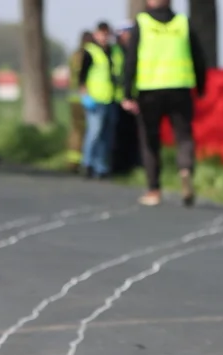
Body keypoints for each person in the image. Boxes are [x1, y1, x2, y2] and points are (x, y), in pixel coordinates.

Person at [120, 0, 207, 207]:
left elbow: (130, 59)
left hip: (149, 90)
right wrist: (201, 86)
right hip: (180, 89)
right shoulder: (183, 23)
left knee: (150, 141)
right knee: (184, 135)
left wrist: (127, 93)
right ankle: (185, 169)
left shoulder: (142, 23)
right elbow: (198, 57)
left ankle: (154, 189)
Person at [77, 22, 119, 180]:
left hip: (110, 98)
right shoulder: (90, 52)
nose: (104, 37)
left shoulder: (113, 52)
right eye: (102, 34)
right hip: (95, 99)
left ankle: (101, 166)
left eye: (106, 34)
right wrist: (85, 96)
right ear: (96, 34)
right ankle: (87, 163)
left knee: (106, 136)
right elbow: (82, 77)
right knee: (94, 133)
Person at [111, 21, 140, 176]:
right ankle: (118, 167)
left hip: (134, 98)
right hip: (117, 98)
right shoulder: (114, 51)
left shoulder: (135, 50)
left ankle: (132, 166)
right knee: (118, 135)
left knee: (133, 135)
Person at [66, 31, 93, 174]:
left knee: (76, 130)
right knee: (81, 130)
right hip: (81, 98)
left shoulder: (75, 54)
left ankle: (74, 161)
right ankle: (77, 162)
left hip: (74, 97)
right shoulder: (83, 55)